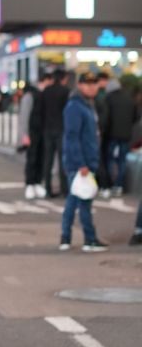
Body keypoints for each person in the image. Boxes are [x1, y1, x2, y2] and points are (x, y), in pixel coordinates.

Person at [59, 71, 108, 251]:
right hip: (80, 163)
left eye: (94, 83)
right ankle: (89, 238)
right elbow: (72, 137)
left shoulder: (87, 105)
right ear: (79, 85)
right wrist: (81, 164)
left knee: (74, 200)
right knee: (85, 201)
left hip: (86, 160)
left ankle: (66, 237)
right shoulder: (75, 106)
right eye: (87, 84)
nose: (92, 87)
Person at [101, 76, 139, 197]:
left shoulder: (108, 99)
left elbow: (105, 118)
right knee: (122, 160)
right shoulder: (129, 99)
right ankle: (119, 185)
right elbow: (136, 117)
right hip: (126, 135)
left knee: (109, 159)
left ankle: (110, 183)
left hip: (111, 135)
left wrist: (103, 130)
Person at [19, 72, 50, 199]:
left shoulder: (44, 95)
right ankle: (29, 184)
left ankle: (37, 183)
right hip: (32, 132)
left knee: (41, 158)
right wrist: (24, 134)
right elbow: (24, 116)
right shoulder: (30, 95)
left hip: (43, 131)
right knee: (31, 158)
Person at [40, 67, 69, 198]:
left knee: (48, 161)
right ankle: (64, 189)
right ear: (63, 78)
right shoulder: (66, 92)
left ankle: (47, 189)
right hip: (61, 128)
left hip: (47, 129)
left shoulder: (46, 91)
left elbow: (41, 111)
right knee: (63, 160)